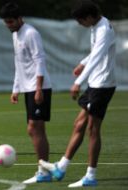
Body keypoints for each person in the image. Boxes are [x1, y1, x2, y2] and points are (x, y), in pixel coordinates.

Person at [40, 0, 116, 187]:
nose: (80, 24)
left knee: (92, 129)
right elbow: (97, 51)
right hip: (95, 83)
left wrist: (77, 82)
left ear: (89, 17)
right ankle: (62, 167)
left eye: (81, 20)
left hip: (102, 85)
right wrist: (83, 62)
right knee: (79, 124)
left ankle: (90, 175)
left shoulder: (103, 29)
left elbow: (98, 57)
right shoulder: (98, 25)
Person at [0, 2, 52, 184]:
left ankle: (44, 170)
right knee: (37, 129)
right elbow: (19, 64)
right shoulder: (16, 35)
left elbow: (40, 60)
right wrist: (16, 89)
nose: (9, 25)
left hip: (39, 88)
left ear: (20, 18)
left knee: (33, 128)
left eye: (11, 21)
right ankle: (44, 169)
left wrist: (38, 88)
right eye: (6, 22)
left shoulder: (31, 33)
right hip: (28, 88)